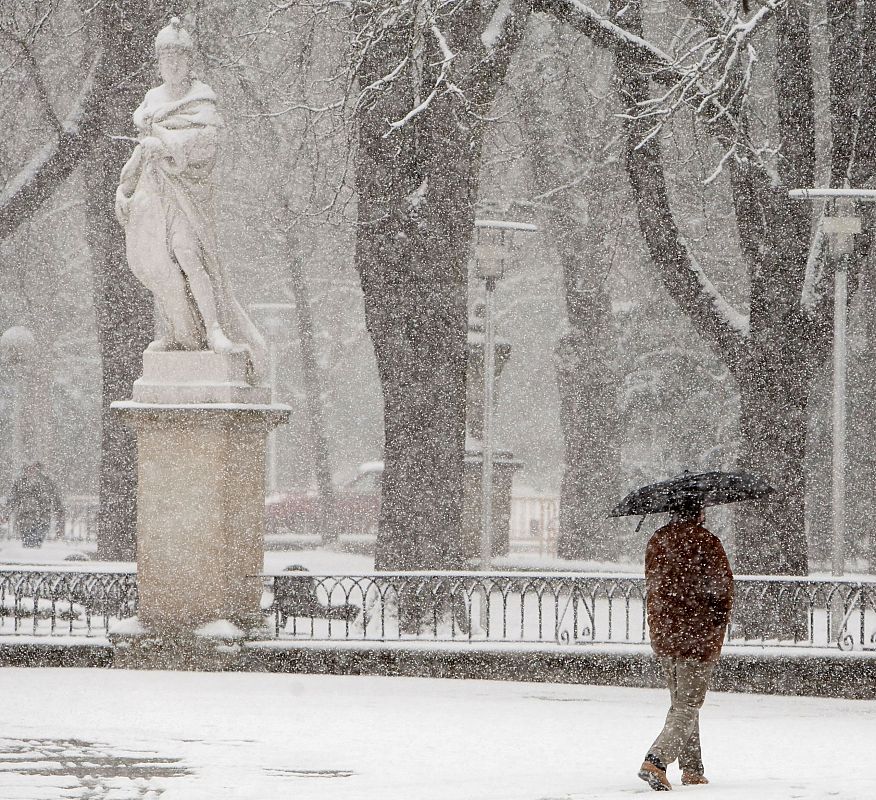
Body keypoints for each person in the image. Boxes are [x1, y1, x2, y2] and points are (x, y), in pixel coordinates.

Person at [115, 17, 265, 382]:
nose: (173, 66)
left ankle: (212, 328)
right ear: (159, 63)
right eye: (166, 60)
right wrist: (132, 175)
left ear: (188, 61)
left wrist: (165, 142)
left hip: (188, 192)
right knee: (158, 261)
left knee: (186, 252)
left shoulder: (201, 100)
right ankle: (177, 331)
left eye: (179, 59)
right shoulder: (151, 103)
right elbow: (140, 151)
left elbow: (206, 143)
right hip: (155, 191)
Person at [638, 500, 734, 791]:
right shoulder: (706, 542)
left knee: (682, 704)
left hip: (666, 635)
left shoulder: (657, 540)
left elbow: (654, 585)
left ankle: (692, 769)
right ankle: (657, 759)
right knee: (689, 704)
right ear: (697, 512)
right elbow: (722, 589)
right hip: (697, 637)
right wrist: (717, 620)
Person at [5, 462, 64, 549]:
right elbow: (12, 499)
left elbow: (55, 497)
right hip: (25, 518)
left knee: (38, 541)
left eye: (34, 468)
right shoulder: (20, 482)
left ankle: (34, 554)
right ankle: (29, 556)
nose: (31, 470)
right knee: (28, 542)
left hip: (43, 517)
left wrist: (59, 511)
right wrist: (6, 513)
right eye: (29, 468)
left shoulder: (47, 482)